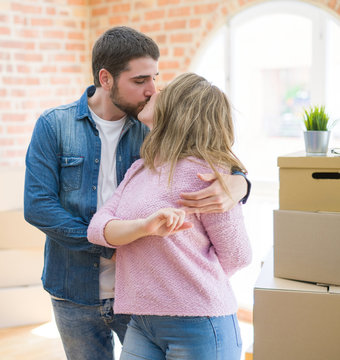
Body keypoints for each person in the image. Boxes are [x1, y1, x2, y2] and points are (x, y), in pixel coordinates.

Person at [24, 26, 250, 360]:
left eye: (155, 78)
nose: (152, 90)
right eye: (140, 81)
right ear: (106, 78)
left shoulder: (152, 129)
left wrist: (241, 181)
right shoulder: (55, 125)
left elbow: (205, 153)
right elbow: (38, 206)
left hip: (145, 295)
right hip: (74, 288)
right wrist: (112, 242)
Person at [87, 72, 252, 360]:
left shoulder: (208, 174)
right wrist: (144, 228)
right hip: (142, 319)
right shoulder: (139, 170)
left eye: (162, 89)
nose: (152, 92)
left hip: (200, 321)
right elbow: (97, 227)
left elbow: (238, 256)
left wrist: (186, 278)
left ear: (178, 108)